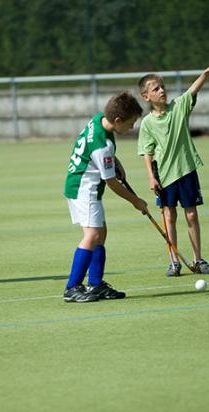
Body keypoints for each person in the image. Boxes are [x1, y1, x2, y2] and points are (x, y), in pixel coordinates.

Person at [137, 59, 209, 276]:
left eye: (163, 86)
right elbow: (146, 151)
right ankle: (174, 261)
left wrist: (205, 74)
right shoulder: (147, 123)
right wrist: (150, 177)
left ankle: (198, 260)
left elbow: (192, 90)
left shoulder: (179, 107)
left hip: (186, 170)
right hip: (164, 176)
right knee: (169, 216)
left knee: (191, 215)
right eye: (156, 88)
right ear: (146, 96)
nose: (162, 90)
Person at [63, 91, 148, 303]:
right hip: (84, 190)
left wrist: (116, 163)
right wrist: (136, 201)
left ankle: (96, 284)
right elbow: (111, 183)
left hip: (80, 184)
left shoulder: (99, 119)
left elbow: (105, 158)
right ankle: (72, 287)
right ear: (118, 120)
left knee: (101, 232)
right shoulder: (103, 147)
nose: (132, 128)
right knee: (92, 235)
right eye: (130, 123)